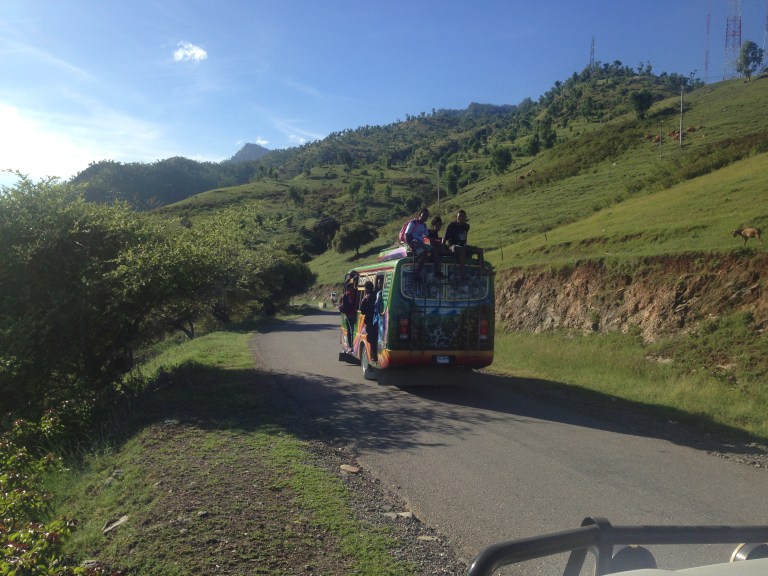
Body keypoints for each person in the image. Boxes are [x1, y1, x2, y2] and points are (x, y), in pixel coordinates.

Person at [404, 208, 446, 280]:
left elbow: (428, 236)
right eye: (424, 215)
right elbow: (406, 235)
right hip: (413, 243)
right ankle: (417, 274)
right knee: (423, 254)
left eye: (427, 216)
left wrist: (439, 241)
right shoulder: (413, 223)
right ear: (419, 215)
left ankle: (437, 272)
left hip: (421, 243)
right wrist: (410, 246)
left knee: (434, 249)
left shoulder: (424, 226)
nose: (425, 217)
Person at [444, 209, 485, 277]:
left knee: (480, 250)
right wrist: (443, 247)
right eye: (459, 216)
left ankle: (481, 271)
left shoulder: (466, 226)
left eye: (463, 216)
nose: (461, 218)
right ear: (457, 217)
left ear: (465, 218)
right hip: (453, 246)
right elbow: (445, 238)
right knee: (461, 249)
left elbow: (464, 239)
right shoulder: (451, 225)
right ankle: (462, 273)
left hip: (463, 246)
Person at [358, 280, 377, 362]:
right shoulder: (378, 295)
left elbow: (362, 311)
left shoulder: (366, 298)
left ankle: (374, 357)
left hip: (370, 321)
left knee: (371, 339)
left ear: (366, 289)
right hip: (378, 321)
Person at [338, 279, 357, 352]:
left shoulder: (344, 294)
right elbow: (352, 302)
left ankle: (350, 346)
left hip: (347, 314)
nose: (354, 287)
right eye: (352, 286)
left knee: (349, 331)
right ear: (349, 288)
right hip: (351, 314)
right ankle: (351, 346)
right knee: (352, 331)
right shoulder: (350, 294)